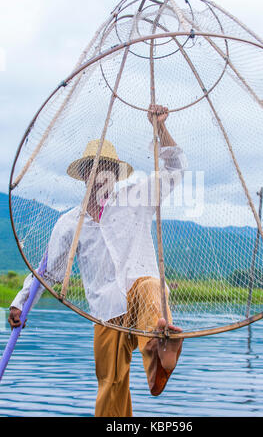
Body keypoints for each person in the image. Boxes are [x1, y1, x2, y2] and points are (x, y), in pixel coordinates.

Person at [8, 104, 188, 417]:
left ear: (116, 175)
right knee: (110, 384)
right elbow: (48, 271)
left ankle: (158, 351)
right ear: (84, 176)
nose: (101, 175)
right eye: (95, 168)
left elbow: (174, 171)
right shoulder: (70, 222)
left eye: (108, 168)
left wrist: (159, 128)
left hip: (140, 294)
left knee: (150, 288)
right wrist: (21, 303)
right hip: (105, 312)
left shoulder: (136, 198)